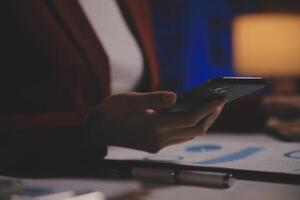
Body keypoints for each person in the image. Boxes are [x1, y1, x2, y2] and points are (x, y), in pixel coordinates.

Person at [0, 0, 225, 172]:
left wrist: (249, 110)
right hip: (43, 182)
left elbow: (151, 95)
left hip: (129, 176)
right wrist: (92, 131)